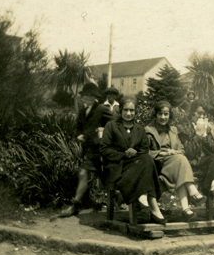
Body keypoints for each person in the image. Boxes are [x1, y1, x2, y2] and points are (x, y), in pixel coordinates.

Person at [100, 96, 167, 225]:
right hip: (117, 166)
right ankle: (154, 208)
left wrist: (135, 152)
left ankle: (144, 199)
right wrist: (123, 154)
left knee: (146, 158)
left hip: (134, 165)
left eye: (132, 110)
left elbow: (144, 149)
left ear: (136, 112)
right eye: (126, 110)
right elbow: (104, 149)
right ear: (120, 110)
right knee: (146, 164)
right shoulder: (112, 126)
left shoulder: (139, 129)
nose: (129, 113)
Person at [145, 101, 207, 222]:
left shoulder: (173, 130)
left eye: (166, 114)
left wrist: (175, 152)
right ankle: (192, 193)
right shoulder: (148, 130)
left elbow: (181, 149)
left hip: (174, 164)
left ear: (169, 115)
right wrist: (165, 153)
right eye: (160, 114)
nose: (163, 117)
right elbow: (145, 152)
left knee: (180, 161)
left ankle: (186, 209)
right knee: (180, 161)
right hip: (157, 165)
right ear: (155, 115)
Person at [60, 83, 115, 217]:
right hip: (89, 151)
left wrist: (102, 131)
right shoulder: (83, 112)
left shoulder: (101, 109)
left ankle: (120, 200)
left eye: (89, 96)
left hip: (102, 150)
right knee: (83, 174)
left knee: (107, 179)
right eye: (85, 96)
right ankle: (75, 205)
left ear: (95, 97)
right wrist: (78, 135)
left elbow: (115, 123)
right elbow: (78, 127)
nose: (86, 98)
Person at [178, 100, 214, 223]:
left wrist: (205, 135)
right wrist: (197, 135)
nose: (201, 117)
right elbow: (189, 151)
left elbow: (212, 149)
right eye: (199, 114)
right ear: (192, 114)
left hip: (203, 163)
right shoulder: (183, 128)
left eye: (204, 115)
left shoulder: (206, 128)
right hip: (190, 164)